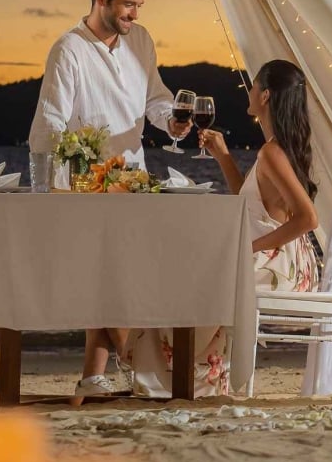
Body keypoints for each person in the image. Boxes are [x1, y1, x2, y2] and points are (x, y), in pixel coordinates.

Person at [26, 0, 190, 398]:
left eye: (139, 5)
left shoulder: (142, 41)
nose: (135, 14)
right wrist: (56, 181)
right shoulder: (69, 50)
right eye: (129, 4)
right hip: (88, 184)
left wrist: (169, 121)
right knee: (111, 278)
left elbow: (155, 98)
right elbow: (51, 121)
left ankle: (95, 376)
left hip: (134, 177)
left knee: (120, 277)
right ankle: (141, 367)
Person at [125, 59, 321, 397]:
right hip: (282, 260)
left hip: (279, 265)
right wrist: (223, 157)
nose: (251, 90)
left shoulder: (273, 153)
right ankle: (186, 375)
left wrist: (251, 249)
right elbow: (250, 205)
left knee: (193, 272)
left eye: (255, 85)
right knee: (193, 265)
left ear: (266, 96)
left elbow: (308, 219)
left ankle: (180, 375)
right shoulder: (274, 150)